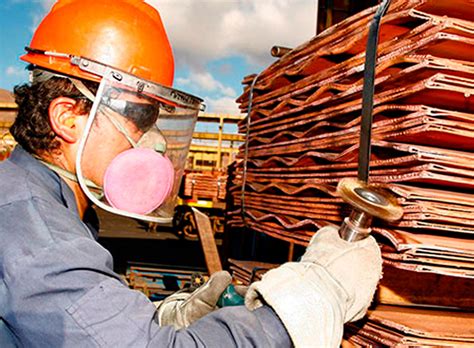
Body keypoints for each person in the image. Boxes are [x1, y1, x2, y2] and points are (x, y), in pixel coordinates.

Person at [0, 1, 382, 347]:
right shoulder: (40, 237)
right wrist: (314, 299)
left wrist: (168, 318)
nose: (154, 142)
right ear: (68, 117)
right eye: (139, 117)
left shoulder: (41, 206)